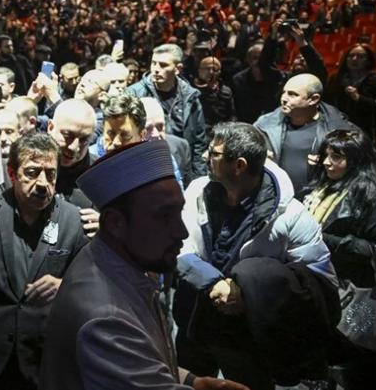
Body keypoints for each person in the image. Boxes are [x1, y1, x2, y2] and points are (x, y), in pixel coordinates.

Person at [41, 140, 246, 390]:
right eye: (164, 216)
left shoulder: (113, 263)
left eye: (179, 212)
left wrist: (192, 381)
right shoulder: (106, 319)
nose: (182, 232)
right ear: (115, 223)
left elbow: (139, 364)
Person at [175, 123, 339, 390]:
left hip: (247, 340)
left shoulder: (290, 215)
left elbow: (321, 280)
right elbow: (178, 245)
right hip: (194, 324)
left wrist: (254, 287)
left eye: (213, 153)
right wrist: (212, 282)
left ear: (239, 165)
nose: (205, 156)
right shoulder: (197, 192)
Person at [0, 133, 89, 389]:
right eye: (32, 173)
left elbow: (93, 282)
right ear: (12, 173)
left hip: (39, 361)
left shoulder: (73, 221)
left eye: (50, 174)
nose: (42, 183)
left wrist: (64, 285)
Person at [302, 129, 376, 388]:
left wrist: (326, 239)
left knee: (355, 352)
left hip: (352, 288)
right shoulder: (323, 183)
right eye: (326, 155)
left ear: (356, 160)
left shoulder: (373, 194)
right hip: (319, 282)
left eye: (336, 157)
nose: (327, 162)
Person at [254, 73, 355, 197]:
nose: (284, 98)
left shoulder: (339, 130)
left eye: (292, 94)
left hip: (319, 199)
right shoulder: (264, 125)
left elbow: (359, 169)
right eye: (284, 92)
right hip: (274, 197)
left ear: (313, 99)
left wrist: (329, 163)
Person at [126, 44, 207, 179]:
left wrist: (198, 179)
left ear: (177, 69)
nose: (156, 69)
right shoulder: (134, 94)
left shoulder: (190, 97)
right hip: (145, 166)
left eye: (163, 65)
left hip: (182, 166)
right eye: (153, 63)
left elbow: (199, 142)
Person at [324, 44, 376, 137]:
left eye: (361, 57)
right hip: (336, 127)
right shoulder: (335, 78)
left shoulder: (375, 80)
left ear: (368, 61)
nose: (354, 59)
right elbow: (327, 102)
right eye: (351, 56)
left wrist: (359, 98)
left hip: (365, 130)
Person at [141, 98, 192, 189]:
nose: (156, 134)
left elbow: (188, 191)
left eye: (160, 126)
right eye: (148, 128)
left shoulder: (181, 146)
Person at [231, 43, 285, 124]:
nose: (259, 62)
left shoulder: (279, 78)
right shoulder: (238, 80)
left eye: (262, 58)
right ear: (248, 60)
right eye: (255, 58)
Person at [194, 57, 236, 142]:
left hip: (221, 133)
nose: (211, 72)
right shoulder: (192, 90)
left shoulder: (226, 90)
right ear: (199, 71)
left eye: (215, 69)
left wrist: (228, 130)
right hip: (200, 133)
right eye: (207, 69)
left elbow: (231, 114)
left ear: (219, 72)